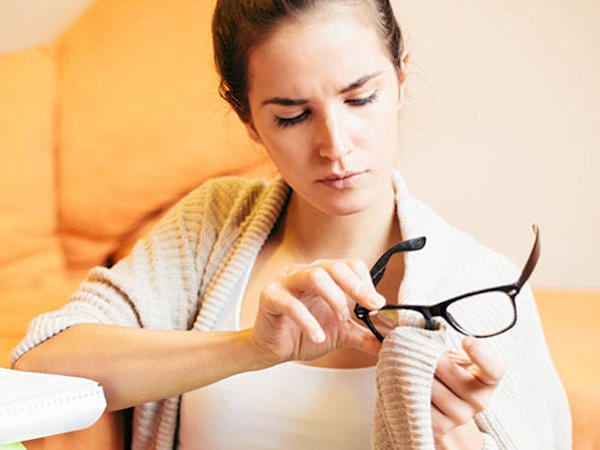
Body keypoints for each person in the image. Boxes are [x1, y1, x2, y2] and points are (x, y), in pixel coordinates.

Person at [12, 0, 571, 449]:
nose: (335, 146)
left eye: (360, 98)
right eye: (292, 115)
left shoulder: (486, 289)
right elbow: (44, 362)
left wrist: (453, 435)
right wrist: (253, 347)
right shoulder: (212, 224)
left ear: (401, 82)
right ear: (250, 122)